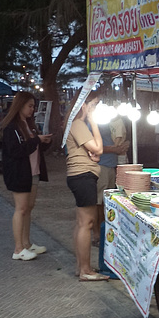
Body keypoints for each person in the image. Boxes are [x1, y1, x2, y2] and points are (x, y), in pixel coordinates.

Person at [0, 91, 53, 261]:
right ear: (20, 106)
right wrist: (37, 140)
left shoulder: (29, 125)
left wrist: (43, 142)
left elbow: (33, 148)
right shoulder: (12, 127)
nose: (32, 110)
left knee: (28, 208)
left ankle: (26, 243)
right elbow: (16, 150)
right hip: (19, 172)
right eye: (29, 106)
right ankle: (18, 248)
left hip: (33, 170)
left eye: (33, 107)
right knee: (21, 208)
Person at [64, 90, 109, 281]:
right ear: (84, 105)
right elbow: (99, 148)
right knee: (86, 223)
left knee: (82, 223)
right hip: (83, 176)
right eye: (94, 105)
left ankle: (81, 267)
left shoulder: (75, 125)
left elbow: (94, 151)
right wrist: (93, 121)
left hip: (80, 175)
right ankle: (85, 270)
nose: (96, 109)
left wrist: (94, 153)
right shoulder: (78, 124)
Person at [94, 117, 130, 245]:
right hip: (100, 165)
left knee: (108, 200)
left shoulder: (117, 120)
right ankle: (98, 233)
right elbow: (91, 145)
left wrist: (124, 145)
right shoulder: (95, 120)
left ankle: (106, 230)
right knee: (98, 202)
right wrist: (114, 149)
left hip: (112, 164)